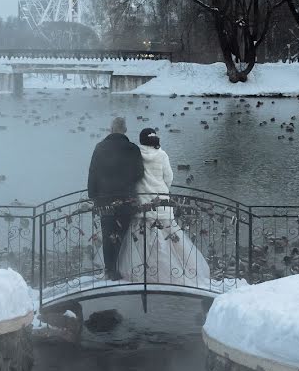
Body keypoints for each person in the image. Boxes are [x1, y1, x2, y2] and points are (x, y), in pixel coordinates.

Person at [116, 128, 211, 287]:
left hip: (142, 204)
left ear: (141, 140)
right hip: (161, 205)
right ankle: (169, 272)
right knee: (166, 241)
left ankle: (141, 273)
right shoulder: (162, 155)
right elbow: (169, 177)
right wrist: (162, 190)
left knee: (142, 240)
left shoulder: (135, 154)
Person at [87, 117, 144, 280]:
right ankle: (119, 269)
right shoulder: (133, 149)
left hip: (104, 200)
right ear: (125, 130)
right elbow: (140, 173)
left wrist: (93, 196)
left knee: (107, 234)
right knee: (121, 234)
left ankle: (109, 270)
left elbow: (92, 173)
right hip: (126, 199)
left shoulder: (99, 148)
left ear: (110, 129)